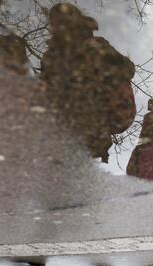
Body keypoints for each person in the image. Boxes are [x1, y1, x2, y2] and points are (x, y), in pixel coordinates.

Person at [41, 3, 136, 163]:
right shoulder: (51, 58)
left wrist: (103, 57)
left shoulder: (95, 45)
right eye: (56, 22)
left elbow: (128, 69)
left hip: (103, 115)